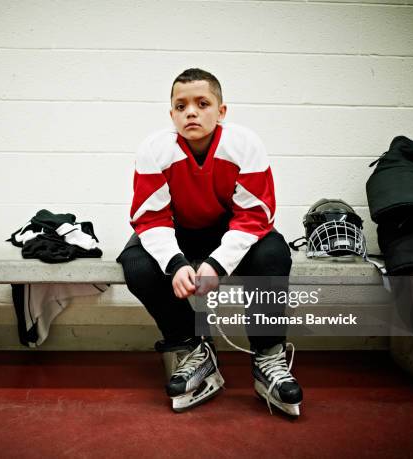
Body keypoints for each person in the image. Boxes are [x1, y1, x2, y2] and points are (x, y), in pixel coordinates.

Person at [117, 68, 303, 416]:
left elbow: (255, 215)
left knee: (274, 252)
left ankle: (267, 355)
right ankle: (193, 347)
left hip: (231, 228)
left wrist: (217, 264)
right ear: (171, 113)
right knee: (136, 265)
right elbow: (150, 218)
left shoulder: (244, 143)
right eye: (181, 105)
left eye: (202, 103)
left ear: (221, 111)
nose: (191, 112)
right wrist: (175, 264)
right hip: (177, 232)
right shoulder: (154, 149)